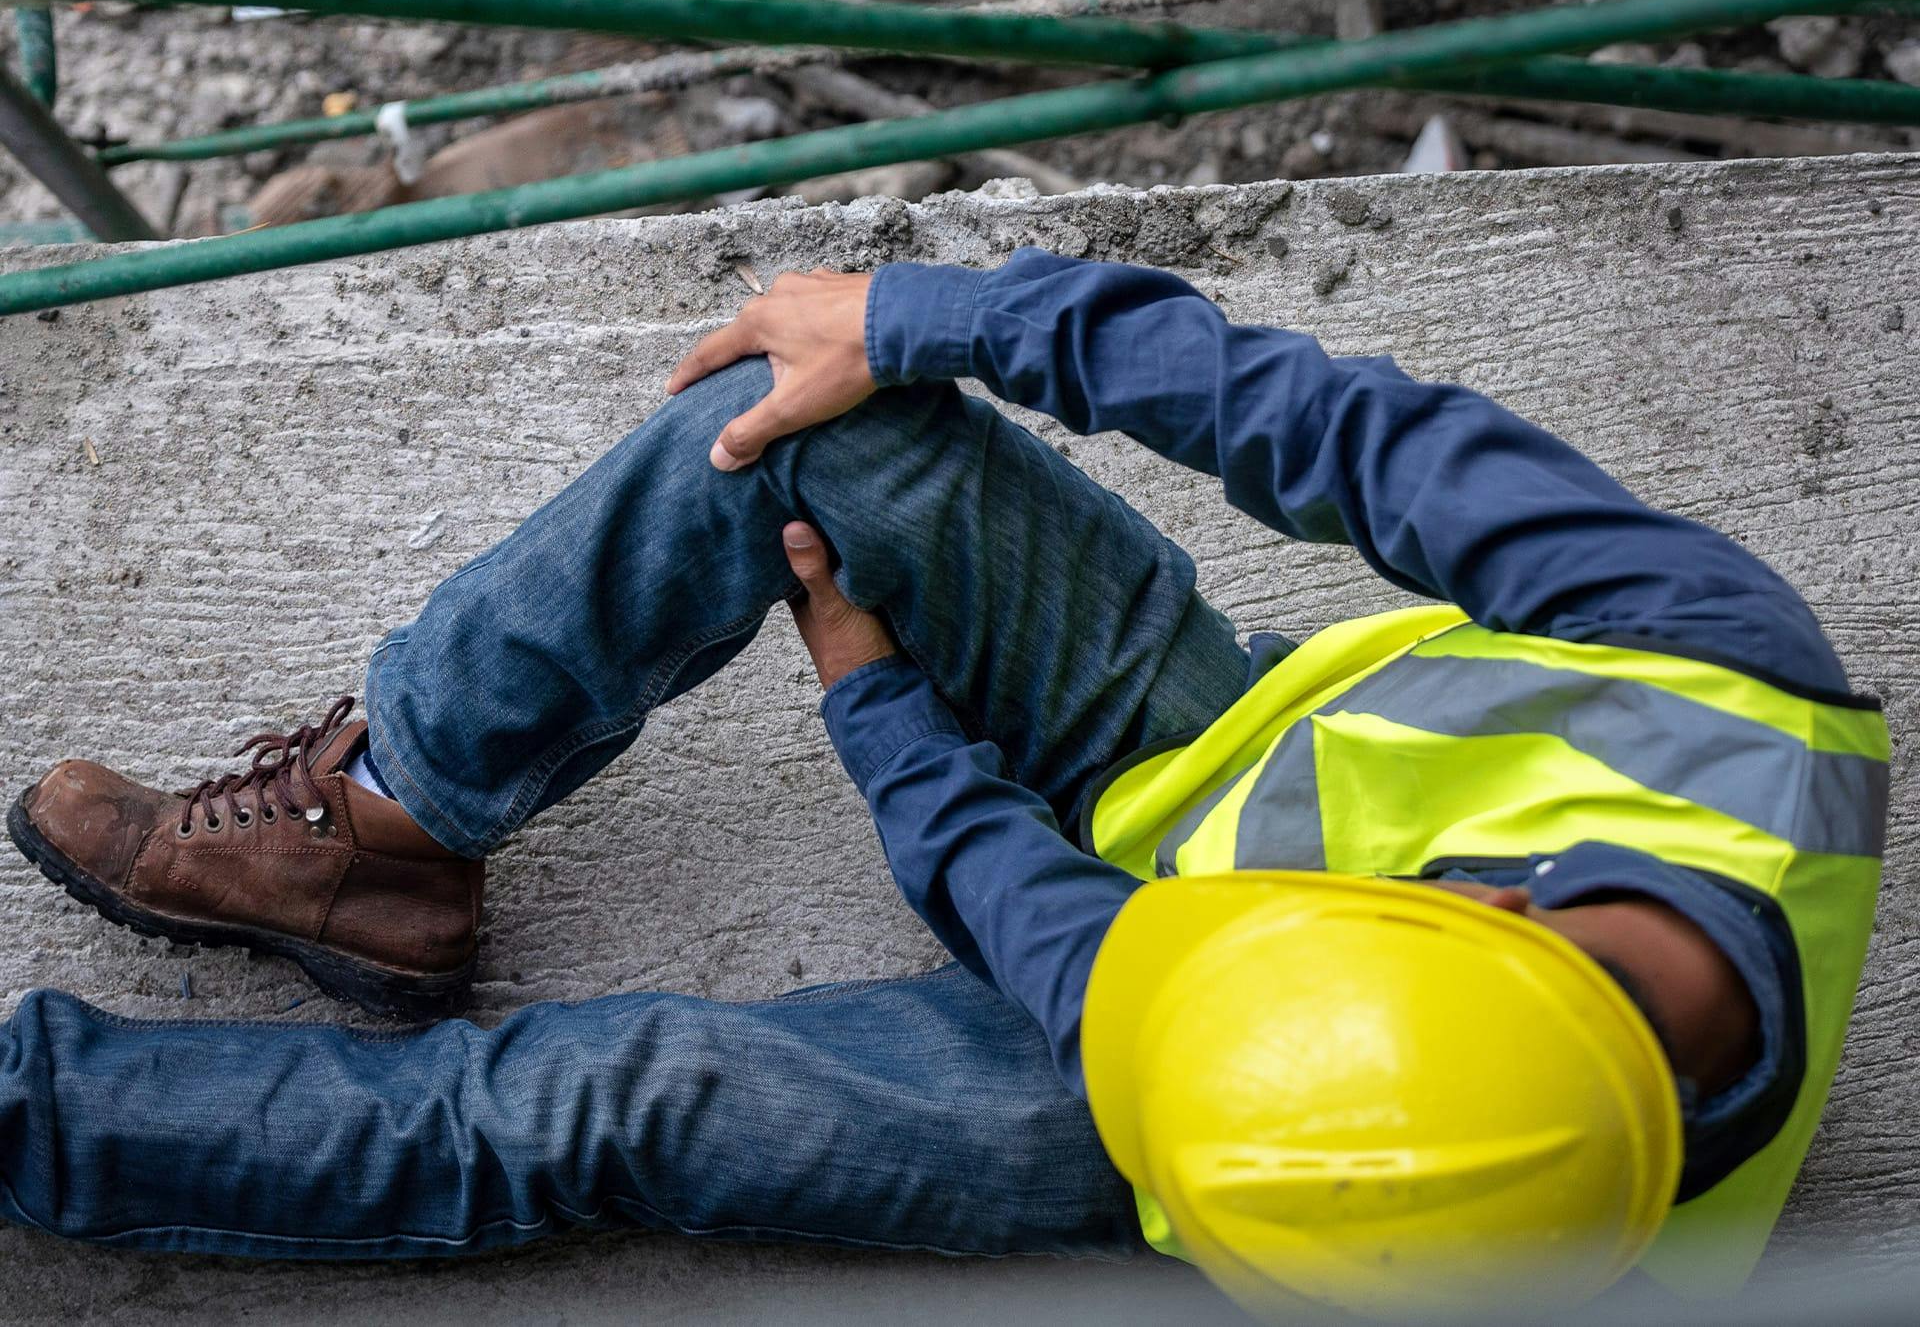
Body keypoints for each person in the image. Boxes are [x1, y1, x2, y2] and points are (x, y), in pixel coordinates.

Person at [2, 252, 1886, 1318]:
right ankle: (388, 836)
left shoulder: (1383, 1208)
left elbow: (1075, 956)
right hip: (1193, 758)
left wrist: (888, 728)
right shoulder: (1724, 677)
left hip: (1160, 1106)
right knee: (799, 433)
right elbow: (1324, 423)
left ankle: (30, 1119)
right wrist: (909, 319)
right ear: (1493, 907)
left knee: (602, 1103)